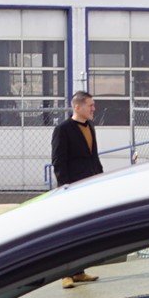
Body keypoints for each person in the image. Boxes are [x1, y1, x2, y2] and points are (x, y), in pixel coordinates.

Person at [51, 90, 106, 284]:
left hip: (90, 187)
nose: (93, 109)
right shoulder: (63, 129)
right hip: (72, 188)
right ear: (77, 107)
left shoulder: (90, 127)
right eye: (90, 105)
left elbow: (94, 157)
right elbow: (58, 161)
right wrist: (65, 187)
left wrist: (100, 178)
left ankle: (79, 271)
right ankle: (65, 274)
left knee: (84, 232)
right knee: (68, 233)